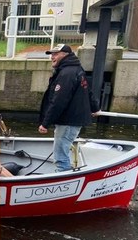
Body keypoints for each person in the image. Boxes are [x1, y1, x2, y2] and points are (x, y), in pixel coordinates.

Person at [38, 44, 100, 172]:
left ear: (65, 54)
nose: (52, 57)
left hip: (68, 121)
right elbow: (88, 91)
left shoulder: (66, 73)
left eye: (55, 54)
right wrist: (95, 108)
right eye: (51, 54)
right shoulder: (77, 69)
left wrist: (45, 123)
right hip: (73, 120)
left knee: (60, 153)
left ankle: (63, 177)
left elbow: (58, 101)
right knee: (63, 149)